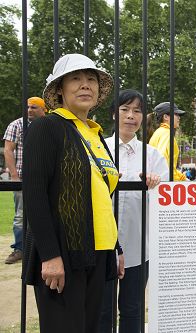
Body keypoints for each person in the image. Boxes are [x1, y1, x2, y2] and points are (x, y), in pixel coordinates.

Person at [22, 53, 124, 333]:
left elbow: (102, 196)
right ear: (59, 89)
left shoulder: (94, 133)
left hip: (99, 251)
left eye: (91, 80)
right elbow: (34, 195)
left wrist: (117, 248)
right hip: (63, 253)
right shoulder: (47, 127)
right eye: (76, 79)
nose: (85, 85)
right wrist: (50, 256)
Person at [99, 89, 168, 333]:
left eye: (137, 111)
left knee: (133, 310)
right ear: (113, 114)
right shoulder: (99, 149)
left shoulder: (153, 156)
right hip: (102, 247)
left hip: (139, 247)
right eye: (125, 109)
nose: (131, 116)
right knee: (102, 311)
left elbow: (165, 201)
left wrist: (154, 184)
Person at [3, 96, 46, 264]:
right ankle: (20, 249)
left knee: (45, 213)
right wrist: (14, 177)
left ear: (43, 109)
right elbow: (8, 150)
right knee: (21, 215)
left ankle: (41, 248)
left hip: (44, 178)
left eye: (34, 107)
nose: (29, 110)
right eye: (28, 107)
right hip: (23, 177)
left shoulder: (49, 125)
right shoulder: (17, 125)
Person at [148, 101, 187, 181]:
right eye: (176, 114)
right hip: (167, 183)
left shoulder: (158, 132)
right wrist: (180, 179)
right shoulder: (167, 134)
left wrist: (181, 176)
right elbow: (163, 162)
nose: (179, 117)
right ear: (165, 117)